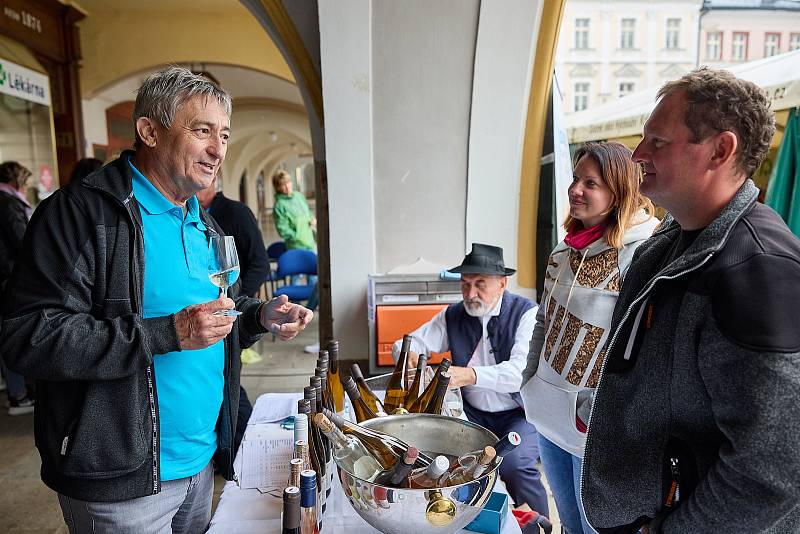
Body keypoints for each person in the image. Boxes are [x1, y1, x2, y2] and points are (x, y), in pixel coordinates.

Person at [0, 66, 312, 534]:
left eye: (224, 134)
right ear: (149, 130)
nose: (218, 149)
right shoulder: (81, 215)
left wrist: (256, 315)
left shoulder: (201, 221)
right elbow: (27, 335)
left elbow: (214, 312)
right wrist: (167, 332)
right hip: (121, 479)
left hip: (202, 461)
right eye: (201, 130)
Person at [581, 68, 800, 532]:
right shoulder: (674, 241)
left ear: (720, 150)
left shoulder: (759, 269)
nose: (638, 155)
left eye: (657, 141)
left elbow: (775, 469)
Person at [520, 142, 657, 534]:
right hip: (547, 413)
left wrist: (597, 411)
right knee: (569, 525)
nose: (575, 189)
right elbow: (544, 322)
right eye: (576, 178)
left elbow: (641, 347)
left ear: (619, 192)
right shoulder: (564, 250)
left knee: (597, 528)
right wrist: (530, 381)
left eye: (590, 183)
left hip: (593, 426)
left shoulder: (642, 253)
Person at [392, 243, 550, 517]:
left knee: (514, 465)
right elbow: (407, 342)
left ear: (502, 283)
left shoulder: (526, 314)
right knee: (455, 462)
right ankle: (468, 518)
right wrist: (410, 357)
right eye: (465, 284)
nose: (470, 293)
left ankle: (539, 523)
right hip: (472, 413)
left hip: (521, 414)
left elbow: (518, 374)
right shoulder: (453, 315)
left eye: (480, 284)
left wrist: (469, 374)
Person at [197, 174, 270, 453]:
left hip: (229, 312)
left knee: (230, 380)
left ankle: (246, 450)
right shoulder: (186, 215)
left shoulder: (236, 213)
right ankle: (225, 449)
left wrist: (239, 300)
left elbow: (260, 264)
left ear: (214, 179)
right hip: (200, 320)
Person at [0, 161, 36, 415]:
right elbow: (24, 242)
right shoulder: (8, 204)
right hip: (8, 279)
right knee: (12, 334)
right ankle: (18, 395)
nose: (25, 188)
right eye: (24, 183)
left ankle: (15, 390)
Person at [272, 169, 316, 252]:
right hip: (295, 246)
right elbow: (282, 229)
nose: (287, 186)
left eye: (288, 182)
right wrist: (296, 236)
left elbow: (308, 211)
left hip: (310, 242)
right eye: (283, 185)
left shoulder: (299, 196)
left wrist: (312, 218)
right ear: (278, 188)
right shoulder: (279, 205)